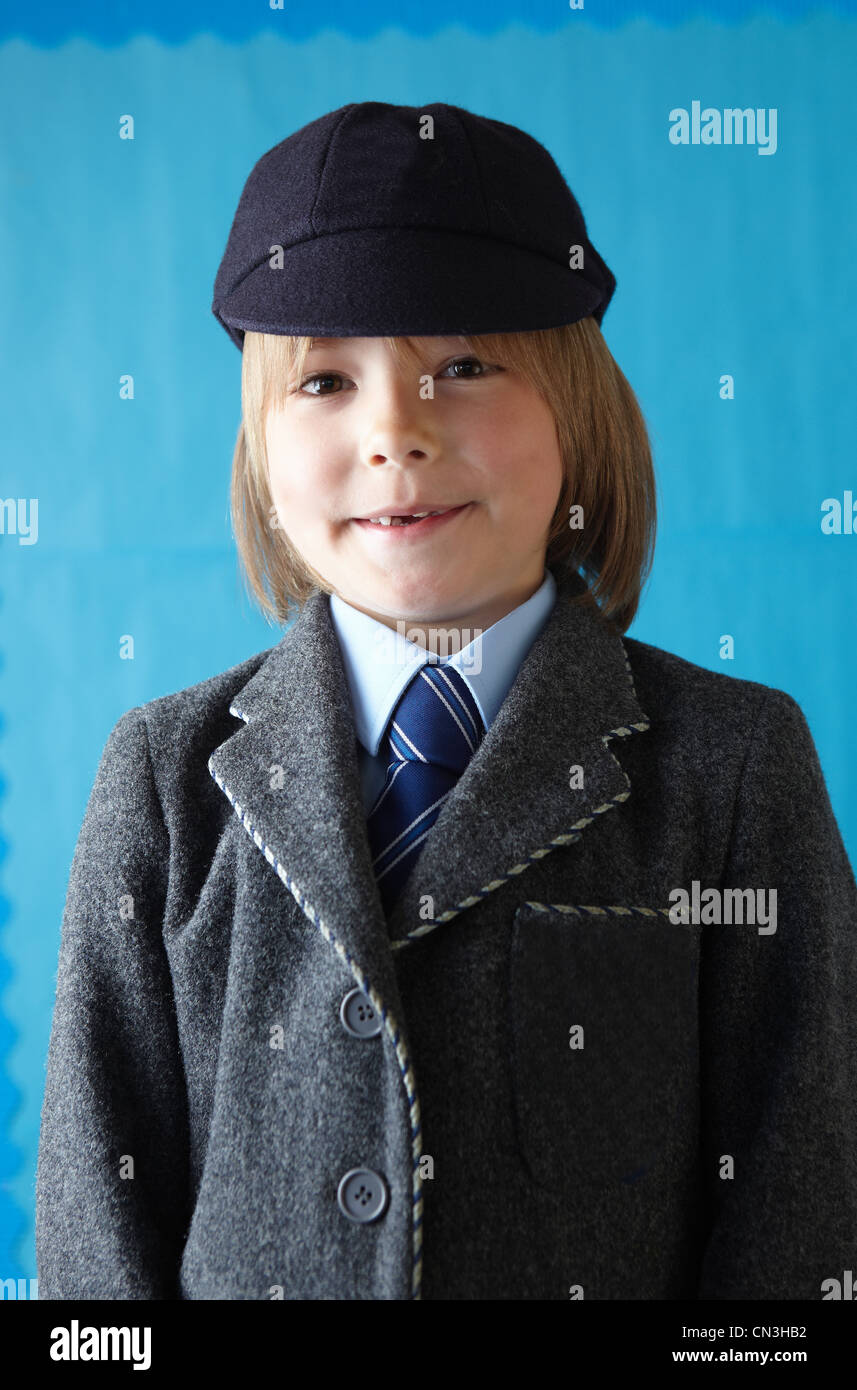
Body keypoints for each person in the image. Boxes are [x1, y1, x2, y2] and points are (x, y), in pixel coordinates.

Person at [36, 101, 857, 1300]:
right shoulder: (163, 779)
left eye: (463, 366)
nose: (392, 433)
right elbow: (94, 1246)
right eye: (322, 379)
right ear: (260, 452)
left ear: (574, 414)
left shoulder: (730, 769)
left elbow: (800, 1210)